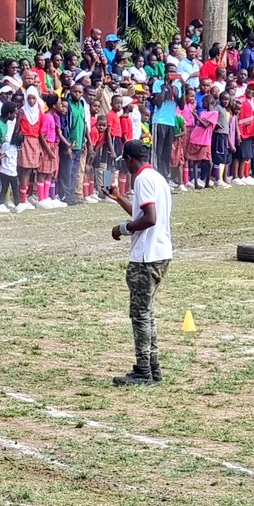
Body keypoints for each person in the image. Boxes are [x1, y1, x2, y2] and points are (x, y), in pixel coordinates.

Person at [109, 139, 172, 386]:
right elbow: (143, 213)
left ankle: (143, 370)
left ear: (129, 159)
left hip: (146, 256)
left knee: (140, 315)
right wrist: (119, 198)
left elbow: (149, 218)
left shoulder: (142, 180)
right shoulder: (156, 177)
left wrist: (123, 228)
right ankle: (152, 367)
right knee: (148, 313)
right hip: (160, 252)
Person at [151, 64, 183, 182]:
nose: (172, 74)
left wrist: (182, 88)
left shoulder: (177, 85)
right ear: (165, 72)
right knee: (157, 151)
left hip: (170, 122)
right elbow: (158, 102)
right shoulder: (158, 83)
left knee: (166, 152)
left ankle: (164, 178)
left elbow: (182, 105)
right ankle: (154, 176)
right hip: (159, 121)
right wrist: (165, 86)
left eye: (174, 72)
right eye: (170, 72)